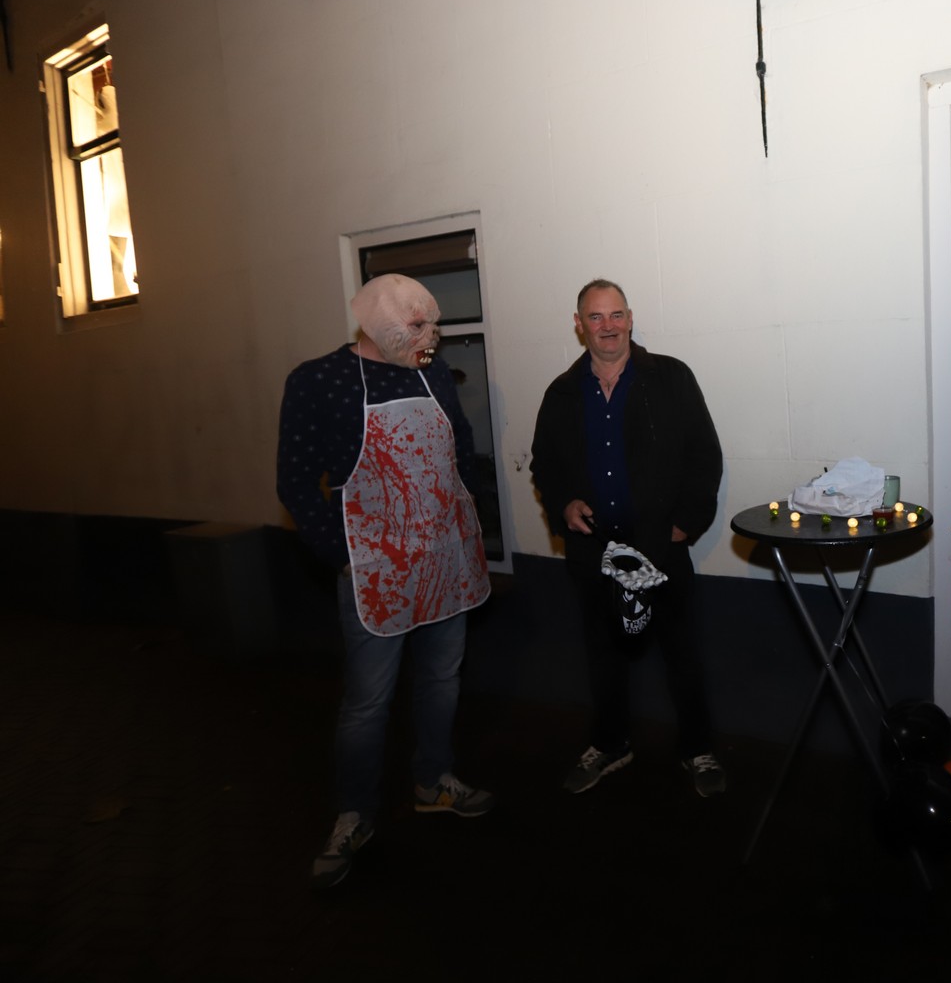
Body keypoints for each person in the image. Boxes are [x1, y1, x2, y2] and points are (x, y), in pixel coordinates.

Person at [278, 274, 495, 890]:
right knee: (368, 701)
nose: (432, 338)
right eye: (418, 327)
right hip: (375, 569)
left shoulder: (431, 372)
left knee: (442, 679)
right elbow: (296, 479)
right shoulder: (320, 380)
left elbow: (460, 446)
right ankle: (354, 814)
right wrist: (344, 554)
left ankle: (433, 781)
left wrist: (463, 514)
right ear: (376, 324)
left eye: (433, 325)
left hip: (446, 559)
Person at [530, 279, 727, 797]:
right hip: (593, 552)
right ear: (579, 325)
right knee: (603, 656)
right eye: (595, 317)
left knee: (681, 653)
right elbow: (544, 464)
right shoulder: (562, 392)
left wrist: (687, 521)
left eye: (616, 314)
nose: (608, 326)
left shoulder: (671, 377)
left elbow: (704, 454)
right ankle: (610, 743)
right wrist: (562, 503)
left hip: (661, 547)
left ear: (631, 318)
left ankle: (697, 749)